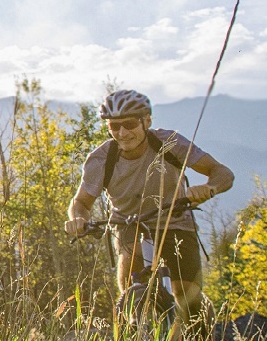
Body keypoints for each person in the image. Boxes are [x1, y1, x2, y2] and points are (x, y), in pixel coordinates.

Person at [64, 89, 235, 339]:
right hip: (127, 224)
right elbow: (81, 202)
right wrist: (78, 219)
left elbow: (222, 172)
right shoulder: (101, 159)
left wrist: (209, 188)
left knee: (186, 294)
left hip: (174, 220)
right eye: (114, 126)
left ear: (147, 121)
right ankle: (134, 327)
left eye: (130, 124)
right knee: (131, 294)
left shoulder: (169, 143)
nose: (122, 133)